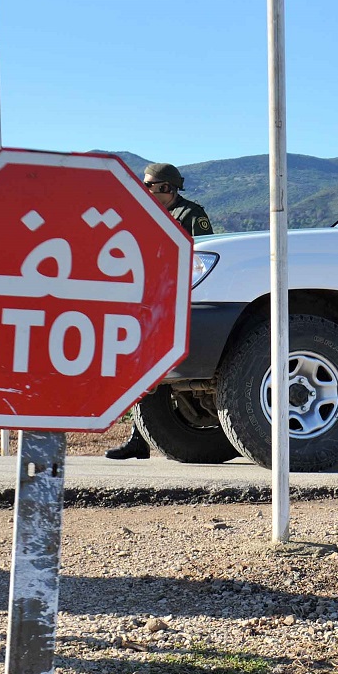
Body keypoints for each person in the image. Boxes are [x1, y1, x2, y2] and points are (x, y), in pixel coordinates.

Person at [105, 162, 214, 460]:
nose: (145, 188)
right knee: (140, 370)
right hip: (147, 302)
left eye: (149, 184)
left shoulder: (191, 215)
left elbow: (201, 257)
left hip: (176, 302)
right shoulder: (147, 215)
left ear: (166, 187)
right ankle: (138, 439)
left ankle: (144, 438)